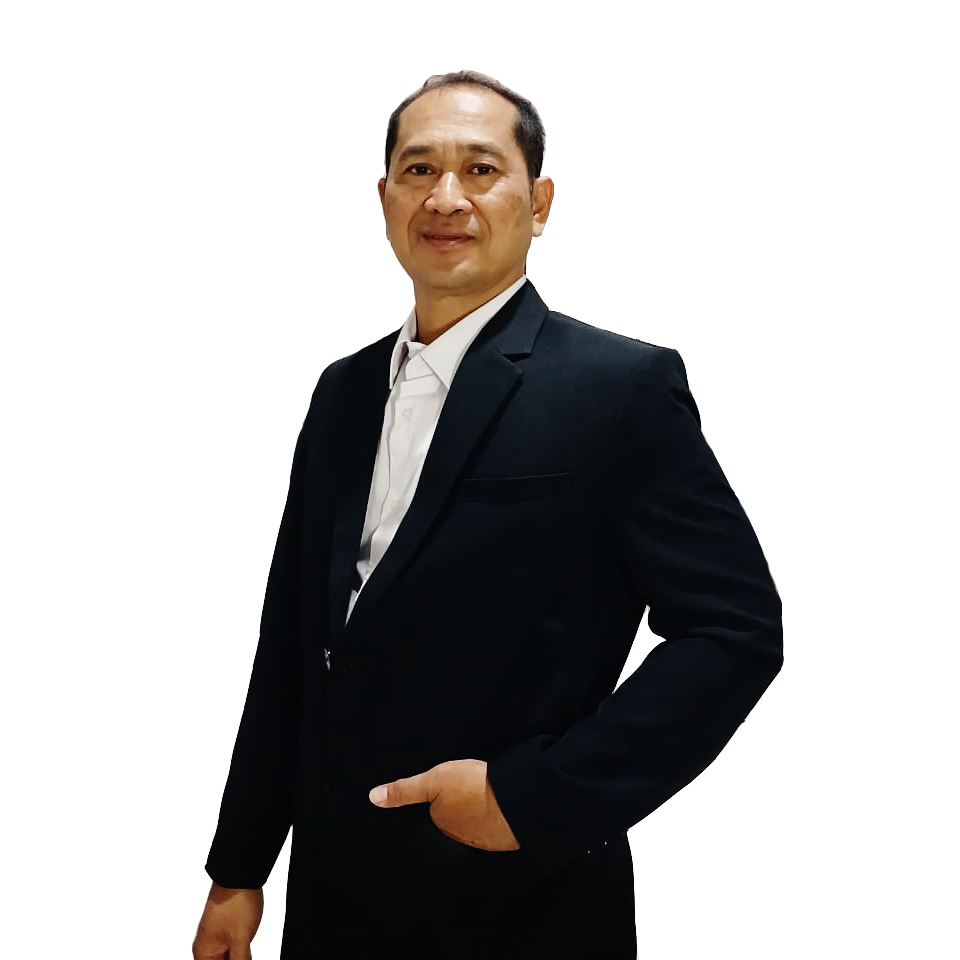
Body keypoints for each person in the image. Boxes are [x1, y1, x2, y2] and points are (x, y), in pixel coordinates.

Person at [192, 70, 783, 959]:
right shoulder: (342, 392)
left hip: (515, 903)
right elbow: (294, 642)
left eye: (480, 169)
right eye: (419, 169)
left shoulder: (618, 388)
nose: (446, 197)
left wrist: (536, 797)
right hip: (333, 900)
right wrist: (239, 869)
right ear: (384, 199)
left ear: (537, 204)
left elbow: (735, 630)